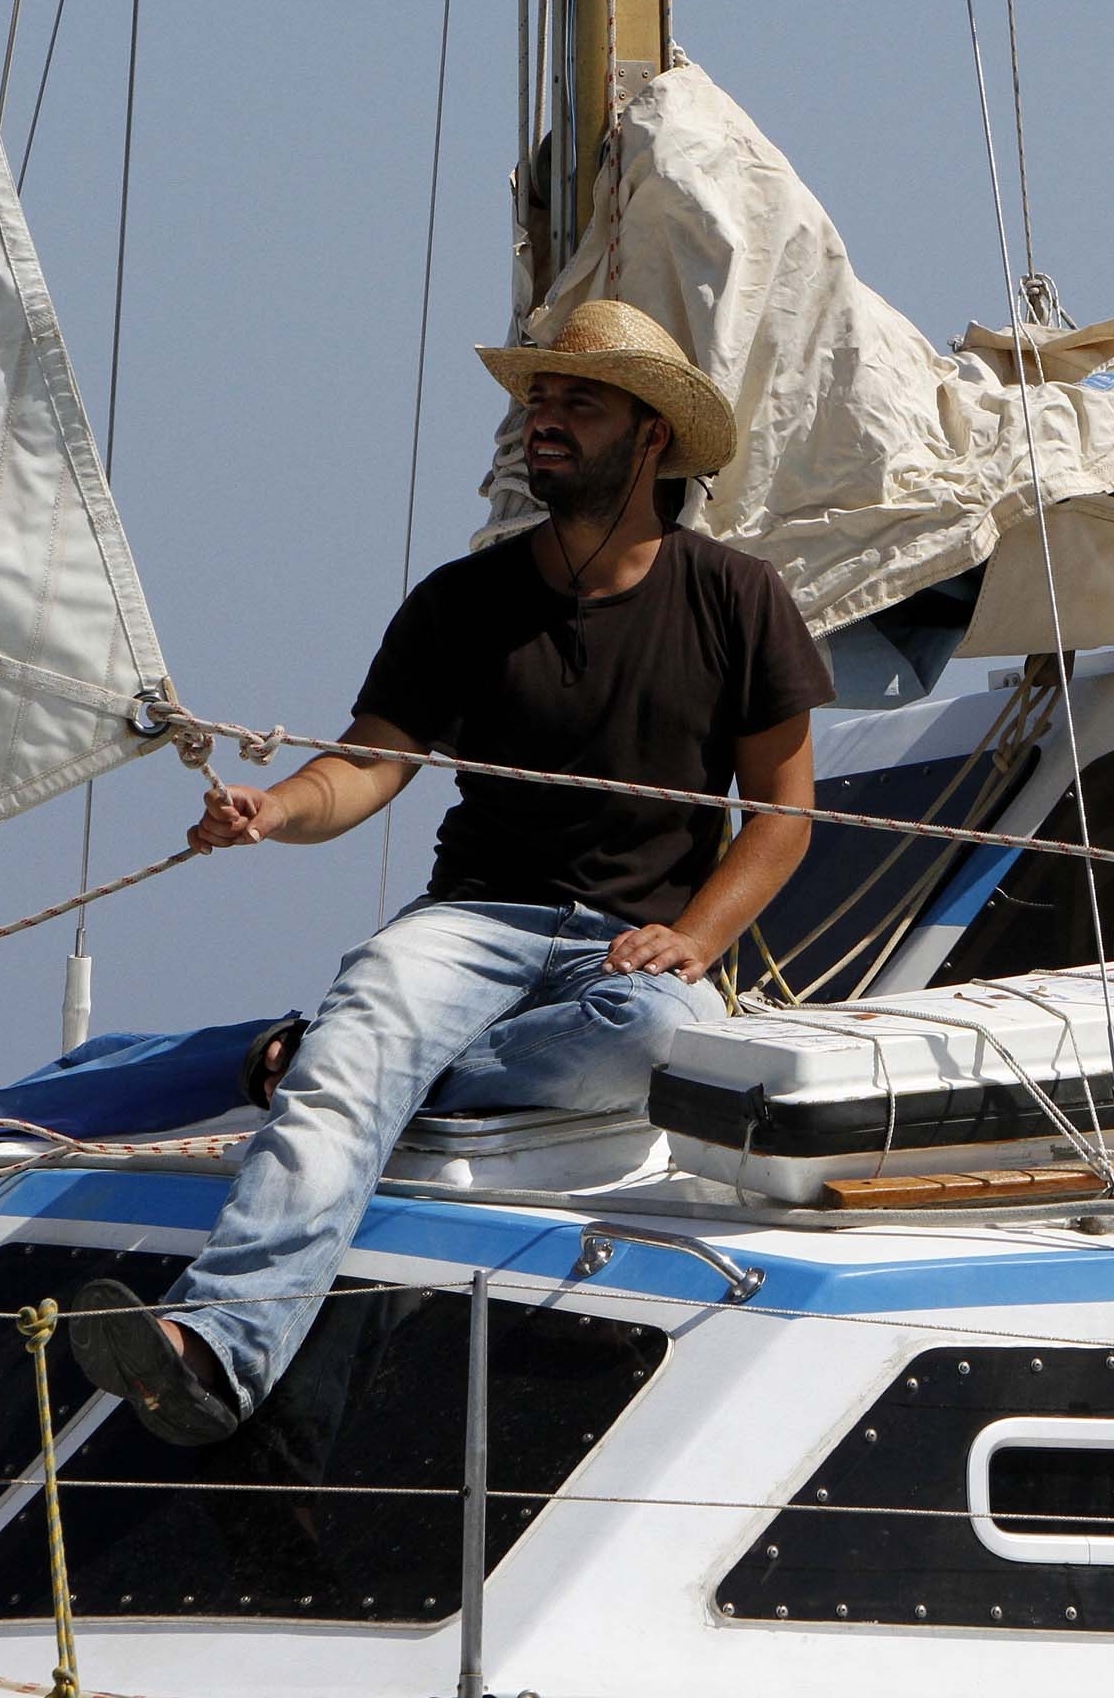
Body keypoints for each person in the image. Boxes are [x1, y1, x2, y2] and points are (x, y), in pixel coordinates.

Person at [72, 298, 832, 1445]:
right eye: (539, 398)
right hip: (472, 920)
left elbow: (785, 811)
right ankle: (217, 1345)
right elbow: (370, 763)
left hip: (637, 945)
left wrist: (701, 937)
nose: (545, 420)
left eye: (580, 401)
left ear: (652, 438)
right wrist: (274, 807)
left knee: (645, 1038)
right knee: (378, 1008)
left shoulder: (738, 596)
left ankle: (358, 1066)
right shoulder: (462, 601)